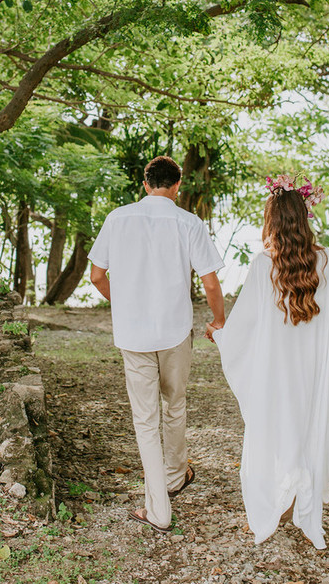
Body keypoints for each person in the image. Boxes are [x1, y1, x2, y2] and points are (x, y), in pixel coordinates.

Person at [208, 175, 329, 550]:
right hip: (312, 369)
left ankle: (284, 500)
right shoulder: (326, 261)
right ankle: (299, 500)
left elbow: (245, 325)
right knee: (308, 429)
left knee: (276, 429)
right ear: (304, 219)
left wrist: (221, 335)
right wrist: (324, 352)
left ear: (272, 220)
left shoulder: (263, 265)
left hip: (276, 370)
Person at [89, 155, 225, 533]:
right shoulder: (189, 222)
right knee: (174, 404)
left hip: (133, 336)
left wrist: (123, 304)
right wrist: (219, 321)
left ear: (145, 184)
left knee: (145, 420)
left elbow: (96, 276)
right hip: (175, 332)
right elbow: (210, 282)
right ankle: (175, 476)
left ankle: (158, 508)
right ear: (177, 186)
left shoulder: (117, 218)